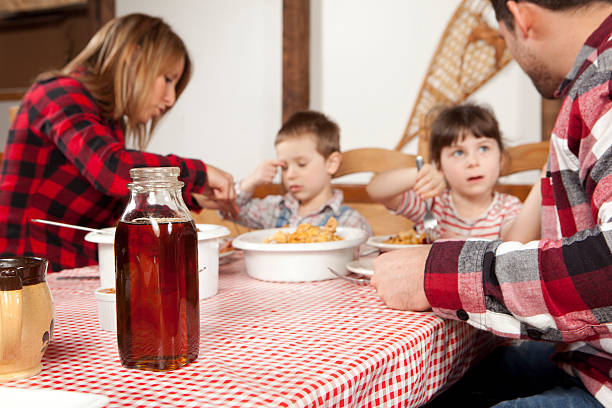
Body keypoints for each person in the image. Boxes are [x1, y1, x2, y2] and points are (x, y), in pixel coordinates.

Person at [371, 1, 612, 407]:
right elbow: (382, 189)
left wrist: (436, 273)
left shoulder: (600, 86)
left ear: (520, 18)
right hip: (591, 353)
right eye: (457, 154)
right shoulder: (591, 81)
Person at [0, 14, 237, 272]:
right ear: (133, 58)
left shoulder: (106, 119)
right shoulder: (59, 93)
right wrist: (199, 173)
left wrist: (189, 194)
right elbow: (111, 170)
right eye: (168, 79)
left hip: (76, 268)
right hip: (26, 276)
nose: (170, 99)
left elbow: (117, 197)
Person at [367, 102, 541, 242]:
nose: (473, 162)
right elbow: (376, 190)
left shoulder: (508, 208)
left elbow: (516, 239)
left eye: (483, 148)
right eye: (458, 153)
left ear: (501, 159)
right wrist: (418, 175)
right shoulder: (431, 203)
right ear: (440, 166)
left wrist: (544, 180)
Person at [226, 110, 373, 235]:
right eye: (284, 167)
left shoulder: (350, 222)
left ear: (331, 163)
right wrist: (251, 181)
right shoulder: (275, 209)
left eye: (301, 164)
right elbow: (229, 209)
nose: (290, 175)